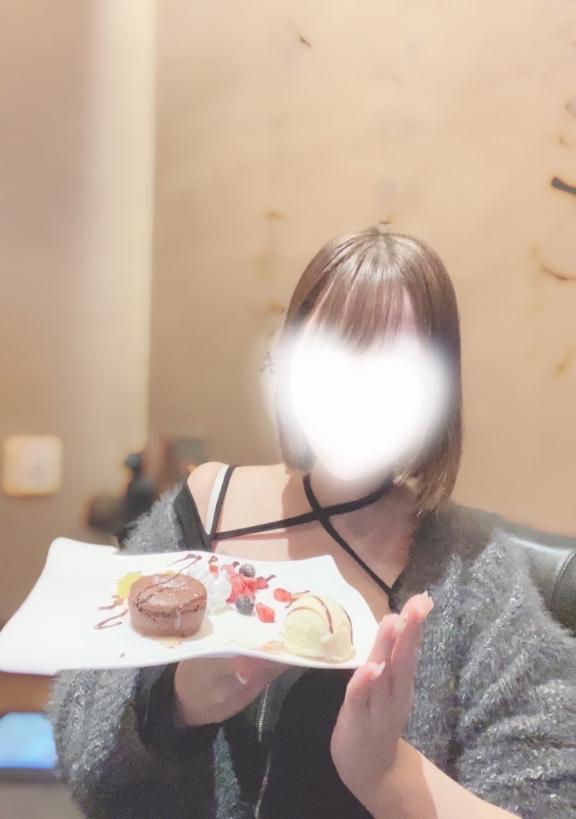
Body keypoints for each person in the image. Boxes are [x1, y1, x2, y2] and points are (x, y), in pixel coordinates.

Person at [45, 225, 576, 818]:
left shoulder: (473, 571)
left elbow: (547, 796)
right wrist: (174, 706)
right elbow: (84, 751)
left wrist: (388, 775)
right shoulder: (202, 509)